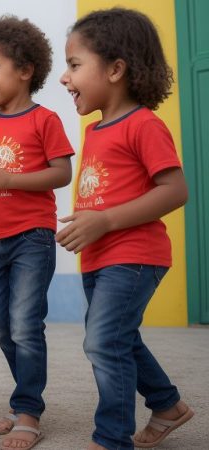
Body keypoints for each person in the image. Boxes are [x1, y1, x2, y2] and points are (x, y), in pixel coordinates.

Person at [58, 8, 194, 449]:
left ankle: (112, 439)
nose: (65, 77)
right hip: (100, 257)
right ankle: (168, 404)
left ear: (116, 69)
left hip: (135, 256)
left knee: (102, 342)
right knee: (117, 338)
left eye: (75, 65)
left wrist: (105, 220)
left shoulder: (144, 125)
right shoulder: (96, 130)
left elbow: (175, 191)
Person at [0, 15, 74, 449]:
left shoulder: (44, 120)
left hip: (32, 236)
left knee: (25, 324)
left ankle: (27, 409)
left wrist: (9, 180)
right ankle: (24, 395)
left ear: (24, 71)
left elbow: (61, 173)